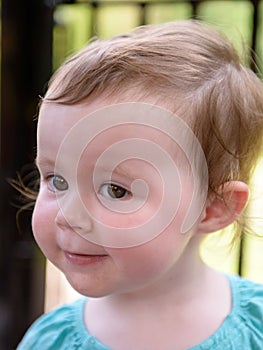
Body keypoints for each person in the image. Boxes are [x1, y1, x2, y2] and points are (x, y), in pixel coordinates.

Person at [17, 20, 263, 349]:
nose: (67, 216)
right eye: (57, 180)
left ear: (212, 208)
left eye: (115, 190)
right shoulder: (49, 342)